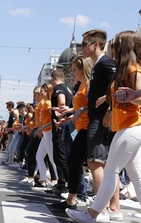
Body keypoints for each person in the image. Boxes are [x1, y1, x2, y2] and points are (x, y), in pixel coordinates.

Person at [66, 30, 141, 223]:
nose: (112, 48)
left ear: (125, 46)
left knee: (111, 171)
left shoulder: (133, 69)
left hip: (131, 127)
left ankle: (92, 214)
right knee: (137, 178)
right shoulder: (125, 69)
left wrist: (125, 98)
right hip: (128, 127)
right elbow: (123, 93)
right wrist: (107, 99)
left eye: (116, 44)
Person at [79, 29, 120, 222]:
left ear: (96, 44)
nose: (82, 48)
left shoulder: (105, 63)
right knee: (108, 165)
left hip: (101, 119)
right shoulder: (98, 65)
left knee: (95, 161)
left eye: (85, 44)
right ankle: (114, 207)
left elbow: (120, 82)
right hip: (98, 116)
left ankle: (101, 210)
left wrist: (110, 109)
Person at [51, 55, 93, 210]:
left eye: (75, 69)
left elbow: (90, 106)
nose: (73, 72)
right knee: (75, 162)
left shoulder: (89, 84)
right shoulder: (82, 85)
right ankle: (73, 199)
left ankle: (78, 198)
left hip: (87, 128)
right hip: (80, 127)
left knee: (86, 164)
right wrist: (66, 116)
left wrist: (74, 111)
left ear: (83, 69)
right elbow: (78, 108)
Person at [49, 69, 73, 195]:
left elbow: (62, 101)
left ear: (53, 78)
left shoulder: (58, 88)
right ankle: (64, 183)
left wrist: (59, 118)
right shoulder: (68, 88)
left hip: (60, 127)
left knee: (60, 157)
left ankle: (63, 184)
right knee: (62, 156)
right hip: (66, 125)